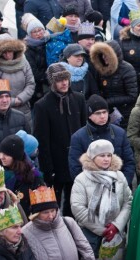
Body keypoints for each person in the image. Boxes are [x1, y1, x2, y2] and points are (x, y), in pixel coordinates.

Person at [22, 185, 96, 260]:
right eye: (45, 212)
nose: (51, 216)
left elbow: (87, 252)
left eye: (53, 211)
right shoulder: (26, 233)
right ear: (36, 213)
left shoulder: (68, 223)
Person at [34, 63, 86, 218]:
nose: (64, 83)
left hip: (77, 161)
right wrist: (48, 169)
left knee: (74, 204)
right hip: (56, 163)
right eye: (59, 80)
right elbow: (42, 140)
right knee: (53, 205)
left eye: (66, 79)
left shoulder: (79, 99)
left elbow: (84, 130)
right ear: (52, 82)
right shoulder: (42, 105)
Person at [70, 140, 132, 260]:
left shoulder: (119, 176)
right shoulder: (82, 179)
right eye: (102, 156)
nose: (106, 159)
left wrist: (116, 226)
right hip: (91, 235)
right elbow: (78, 207)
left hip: (116, 235)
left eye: (109, 155)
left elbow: (128, 202)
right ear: (92, 158)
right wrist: (102, 229)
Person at [69, 94, 135, 186]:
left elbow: (129, 163)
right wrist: (91, 188)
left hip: (119, 186)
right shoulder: (78, 137)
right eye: (98, 113)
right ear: (89, 115)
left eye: (105, 112)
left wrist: (122, 184)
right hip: (91, 189)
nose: (103, 116)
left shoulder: (120, 133)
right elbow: (75, 168)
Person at [90, 41, 138, 129]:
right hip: (106, 111)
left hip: (124, 112)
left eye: (107, 56)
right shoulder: (101, 68)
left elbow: (132, 96)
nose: (104, 58)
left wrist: (108, 102)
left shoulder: (127, 69)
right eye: (102, 55)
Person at [0, 134, 44, 215]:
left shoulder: (32, 175)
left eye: (7, 154)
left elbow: (42, 204)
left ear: (16, 156)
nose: (2, 157)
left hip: (23, 221)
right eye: (1, 152)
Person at [0, 34, 35, 125]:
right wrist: (13, 101)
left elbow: (30, 83)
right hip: (5, 109)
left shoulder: (24, 62)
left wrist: (21, 99)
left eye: (10, 51)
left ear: (14, 50)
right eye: (4, 52)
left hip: (24, 107)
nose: (7, 55)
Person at [21, 13, 48, 105]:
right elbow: (34, 72)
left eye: (40, 30)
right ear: (29, 34)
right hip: (38, 88)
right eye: (35, 32)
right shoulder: (27, 50)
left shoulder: (49, 43)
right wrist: (49, 77)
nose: (38, 34)